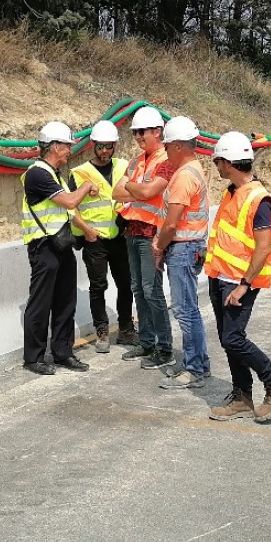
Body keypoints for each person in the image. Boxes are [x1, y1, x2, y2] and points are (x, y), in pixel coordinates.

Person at [203, 132, 271, 422]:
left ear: (228, 162)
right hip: (220, 276)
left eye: (218, 161)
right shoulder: (231, 191)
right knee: (227, 338)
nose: (216, 166)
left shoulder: (259, 199)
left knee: (233, 338)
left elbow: (263, 246)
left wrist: (244, 285)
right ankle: (241, 396)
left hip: (239, 281)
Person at [20, 121, 97, 376]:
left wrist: (86, 230)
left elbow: (68, 209)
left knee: (66, 301)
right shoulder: (37, 173)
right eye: (67, 146)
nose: (69, 151)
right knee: (41, 304)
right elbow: (71, 199)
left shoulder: (54, 174)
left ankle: (63, 352)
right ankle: (34, 358)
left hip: (61, 245)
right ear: (54, 146)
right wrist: (86, 185)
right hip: (43, 247)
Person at [113, 106, 175, 367]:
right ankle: (147, 342)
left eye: (142, 132)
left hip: (152, 233)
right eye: (135, 132)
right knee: (138, 288)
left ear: (158, 131)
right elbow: (117, 192)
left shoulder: (167, 161)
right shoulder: (136, 161)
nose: (138, 136)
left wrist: (133, 187)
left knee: (152, 291)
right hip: (132, 231)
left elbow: (151, 192)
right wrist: (136, 189)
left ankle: (164, 347)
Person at [152, 116, 211, 390]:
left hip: (183, 248)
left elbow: (172, 222)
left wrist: (158, 245)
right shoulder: (195, 170)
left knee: (185, 311)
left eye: (167, 146)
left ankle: (195, 369)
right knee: (190, 309)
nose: (165, 151)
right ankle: (197, 362)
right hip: (191, 247)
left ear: (177, 146)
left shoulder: (184, 176)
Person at [70, 119, 137, 354]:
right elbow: (71, 208)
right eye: (100, 146)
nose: (105, 151)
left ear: (115, 145)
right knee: (98, 286)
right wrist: (87, 231)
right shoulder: (79, 173)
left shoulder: (124, 167)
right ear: (92, 145)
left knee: (126, 284)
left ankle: (127, 329)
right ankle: (102, 331)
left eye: (109, 146)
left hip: (120, 237)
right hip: (94, 239)